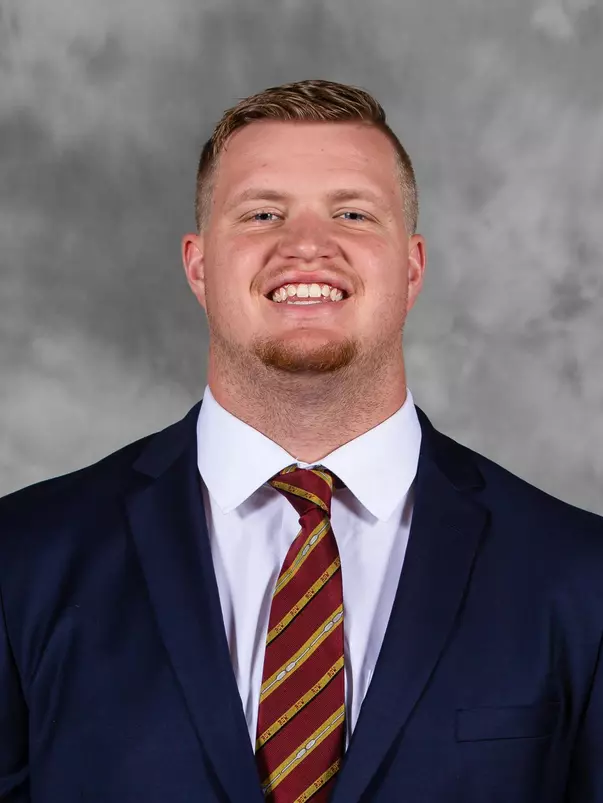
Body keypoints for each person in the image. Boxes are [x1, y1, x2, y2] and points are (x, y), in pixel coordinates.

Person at [0, 78, 602, 803]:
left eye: (351, 212)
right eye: (261, 213)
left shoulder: (578, 578)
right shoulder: (22, 560)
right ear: (197, 265)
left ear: (411, 267)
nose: (307, 246)